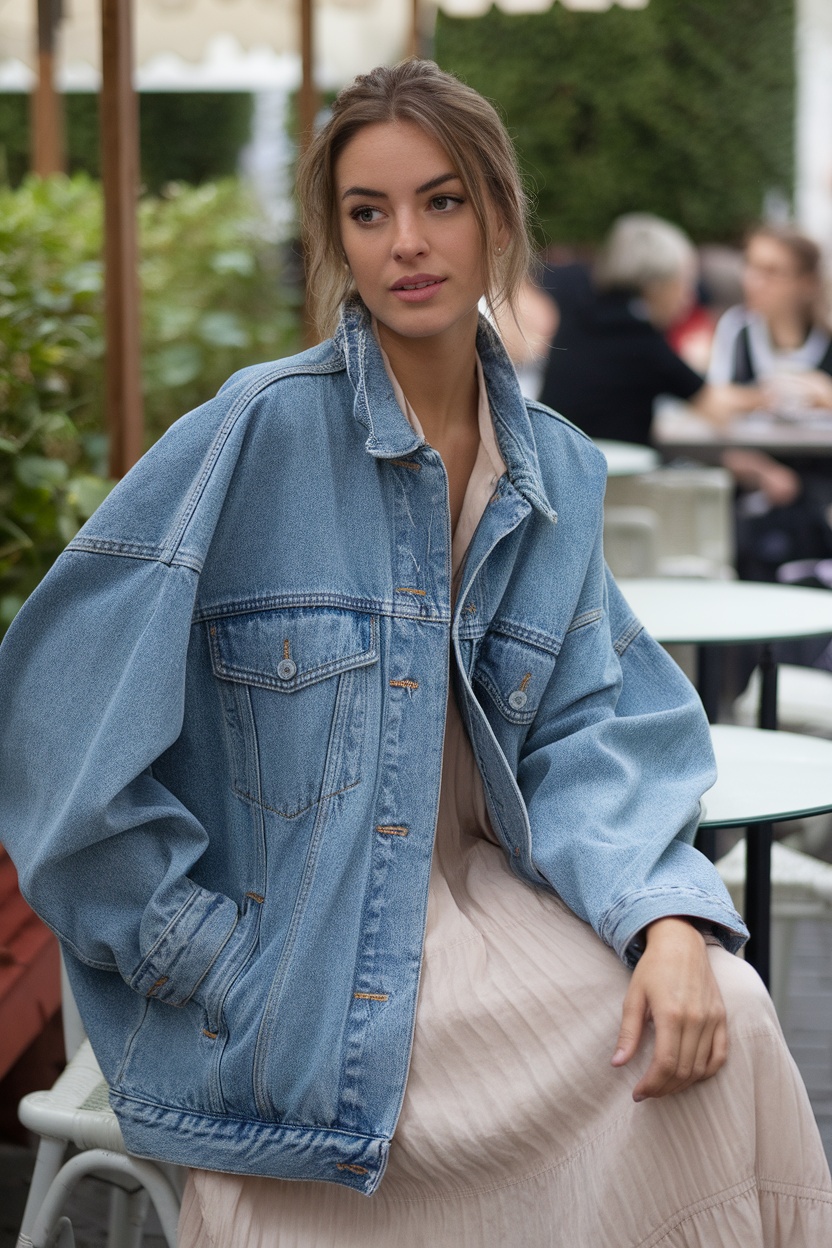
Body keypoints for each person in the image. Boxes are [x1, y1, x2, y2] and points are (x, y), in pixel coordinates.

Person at [1, 61, 831, 1248]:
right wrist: (211, 959)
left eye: (441, 202)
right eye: (367, 211)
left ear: (499, 216)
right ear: (334, 234)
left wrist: (668, 924)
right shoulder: (255, 432)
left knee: (729, 1018)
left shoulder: (555, 469)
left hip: (486, 914)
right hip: (298, 957)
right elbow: (52, 724)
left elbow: (594, 733)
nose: (407, 243)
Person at [537, 213, 762, 446]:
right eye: (684, 282)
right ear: (657, 285)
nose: (689, 297)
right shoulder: (639, 338)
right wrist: (770, 396)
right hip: (613, 474)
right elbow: (716, 407)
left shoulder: (582, 317)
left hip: (559, 465)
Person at [707, 225, 832, 582]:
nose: (754, 281)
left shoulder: (825, 338)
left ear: (806, 283)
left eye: (772, 272)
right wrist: (765, 397)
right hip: (759, 484)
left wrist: (822, 395)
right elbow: (713, 405)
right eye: (751, 267)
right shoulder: (737, 330)